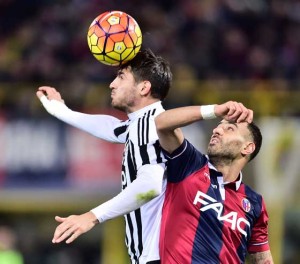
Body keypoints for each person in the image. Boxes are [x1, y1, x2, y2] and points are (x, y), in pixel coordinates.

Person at [36, 49, 172, 264]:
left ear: (144, 87)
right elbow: (112, 128)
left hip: (159, 257)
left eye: (121, 77)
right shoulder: (145, 123)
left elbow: (150, 184)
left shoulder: (149, 124)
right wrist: (61, 111)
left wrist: (91, 217)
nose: (112, 84)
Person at [154, 102, 274, 263]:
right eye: (218, 126)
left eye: (229, 128)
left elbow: (263, 260)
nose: (216, 130)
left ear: (247, 148)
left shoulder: (255, 203)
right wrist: (214, 110)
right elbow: (162, 123)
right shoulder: (189, 165)